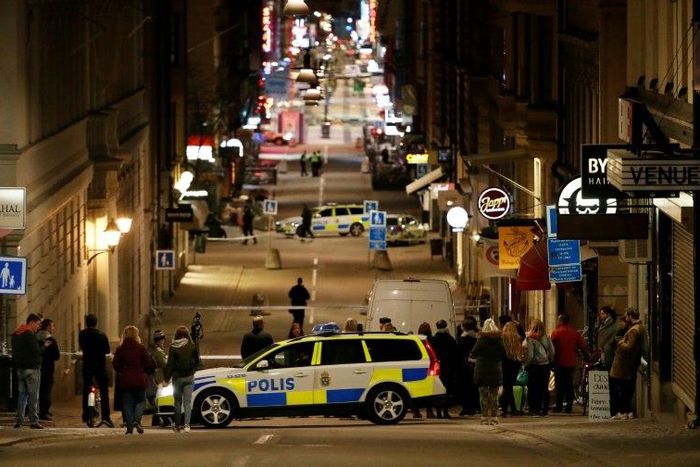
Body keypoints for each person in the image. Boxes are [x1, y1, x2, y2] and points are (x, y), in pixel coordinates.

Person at [112, 325, 153, 435]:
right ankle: (137, 420)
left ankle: (129, 428)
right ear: (136, 335)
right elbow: (147, 363)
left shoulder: (120, 349)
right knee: (141, 401)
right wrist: (143, 371)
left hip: (125, 380)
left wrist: (122, 371)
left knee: (127, 404)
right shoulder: (141, 348)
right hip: (139, 379)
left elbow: (115, 364)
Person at [609, 308, 646, 420]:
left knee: (617, 388)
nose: (625, 318)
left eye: (626, 316)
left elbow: (629, 347)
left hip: (623, 364)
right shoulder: (638, 328)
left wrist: (620, 342)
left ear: (630, 316)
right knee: (625, 389)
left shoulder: (634, 330)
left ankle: (621, 411)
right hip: (626, 364)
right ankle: (625, 411)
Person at [79, 313, 114, 427]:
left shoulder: (82, 334)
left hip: (87, 366)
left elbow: (82, 346)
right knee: (104, 391)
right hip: (99, 367)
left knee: (86, 389)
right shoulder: (101, 335)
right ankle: (106, 416)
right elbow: (107, 350)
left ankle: (85, 415)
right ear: (96, 323)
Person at [165, 326, 200, 433]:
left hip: (177, 378)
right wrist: (193, 368)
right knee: (188, 402)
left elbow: (170, 364)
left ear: (176, 335)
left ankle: (177, 426)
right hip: (189, 377)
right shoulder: (192, 345)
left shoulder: (173, 347)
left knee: (177, 402)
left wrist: (166, 378)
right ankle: (187, 425)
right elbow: (197, 361)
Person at [551, 314, 588, 413]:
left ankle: (559, 406)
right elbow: (583, 345)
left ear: (561, 321)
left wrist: (551, 361)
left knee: (559, 385)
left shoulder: (556, 333)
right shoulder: (574, 333)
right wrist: (586, 357)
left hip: (559, 362)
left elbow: (552, 349)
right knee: (569, 384)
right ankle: (569, 406)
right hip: (571, 362)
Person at [471, 318, 506, 425]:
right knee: (494, 395)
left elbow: (473, 353)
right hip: (495, 370)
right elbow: (504, 355)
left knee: (483, 395)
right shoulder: (499, 341)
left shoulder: (480, 341)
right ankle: (494, 417)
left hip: (482, 370)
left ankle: (484, 417)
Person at [12, 313, 44, 429]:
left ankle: (19, 420)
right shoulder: (29, 335)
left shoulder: (16, 334)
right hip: (32, 369)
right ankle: (34, 421)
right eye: (38, 324)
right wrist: (43, 346)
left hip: (20, 369)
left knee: (22, 396)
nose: (39, 327)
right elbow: (36, 352)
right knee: (33, 396)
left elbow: (15, 351)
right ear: (31, 322)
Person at [524, 319, 555, 417]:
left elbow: (530, 354)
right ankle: (544, 409)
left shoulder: (531, 338)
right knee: (544, 388)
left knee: (533, 388)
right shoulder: (547, 337)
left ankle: (534, 409)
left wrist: (526, 364)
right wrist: (549, 360)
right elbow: (552, 351)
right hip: (545, 365)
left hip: (534, 366)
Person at [429, 319, 460, 418]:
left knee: (437, 388)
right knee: (446, 388)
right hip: (448, 367)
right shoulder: (450, 339)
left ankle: (438, 410)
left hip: (437, 366)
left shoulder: (434, 339)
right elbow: (455, 353)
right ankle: (445, 411)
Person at [38, 318, 60, 422]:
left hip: (37, 367)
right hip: (48, 369)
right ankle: (44, 412)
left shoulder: (35, 337)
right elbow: (56, 356)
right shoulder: (51, 340)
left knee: (38, 390)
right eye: (52, 326)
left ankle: (38, 410)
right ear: (47, 327)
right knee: (46, 391)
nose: (53, 328)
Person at [457, 316, 480, 416]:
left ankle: (467, 408)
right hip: (476, 365)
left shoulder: (463, 339)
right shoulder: (477, 338)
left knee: (466, 387)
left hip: (465, 367)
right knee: (475, 388)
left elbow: (458, 353)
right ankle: (476, 407)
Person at [412, 322, 435, 419]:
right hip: (429, 368)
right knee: (429, 391)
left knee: (416, 391)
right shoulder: (432, 341)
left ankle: (416, 412)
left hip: (417, 368)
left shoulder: (416, 340)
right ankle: (429, 411)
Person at [500, 321, 523, 417]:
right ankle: (512, 409)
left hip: (505, 363)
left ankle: (506, 409)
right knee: (509, 386)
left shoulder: (502, 338)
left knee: (506, 386)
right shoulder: (518, 338)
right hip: (515, 363)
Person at [148, 330, 168, 426]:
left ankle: (156, 420)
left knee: (156, 400)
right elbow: (164, 364)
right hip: (159, 378)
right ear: (161, 340)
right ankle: (158, 420)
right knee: (158, 400)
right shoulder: (158, 352)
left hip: (153, 378)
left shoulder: (151, 350)